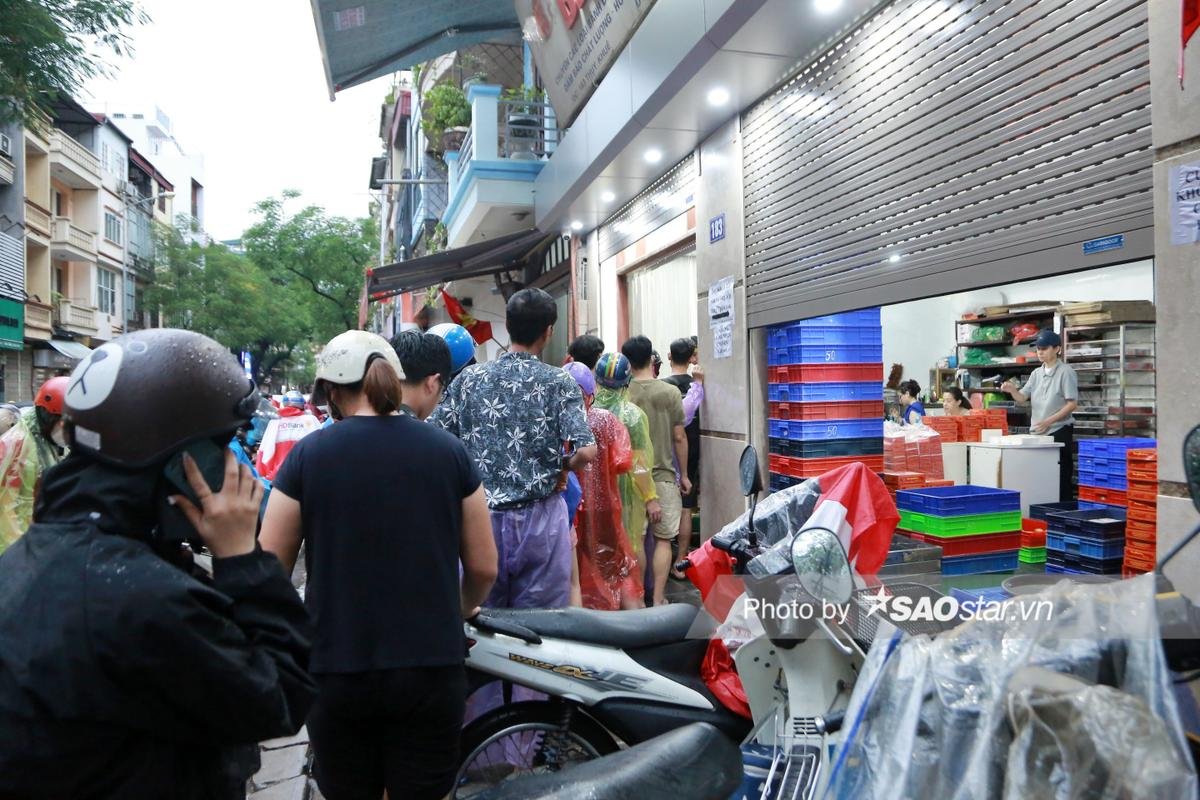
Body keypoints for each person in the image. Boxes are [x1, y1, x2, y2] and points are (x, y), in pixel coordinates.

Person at [0, 329, 315, 798]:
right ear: (178, 460)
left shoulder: (41, 557)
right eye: (222, 447)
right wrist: (243, 559)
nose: (233, 469)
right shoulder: (142, 598)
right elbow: (279, 696)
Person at [260, 330, 497, 800]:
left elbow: (269, 569)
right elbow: (485, 567)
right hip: (432, 667)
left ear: (331, 392)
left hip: (337, 669)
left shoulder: (309, 457)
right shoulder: (448, 451)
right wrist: (458, 609)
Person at [432, 287, 596, 610]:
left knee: (481, 617)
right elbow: (586, 451)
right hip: (541, 522)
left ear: (507, 326)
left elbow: (435, 439)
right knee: (542, 626)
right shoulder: (559, 382)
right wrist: (562, 466)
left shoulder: (468, 381)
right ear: (549, 331)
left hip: (479, 518)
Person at [564, 362, 643, 610]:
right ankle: (636, 625)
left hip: (569, 512)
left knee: (573, 572)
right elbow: (624, 462)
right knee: (617, 567)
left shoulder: (555, 424)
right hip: (606, 507)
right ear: (591, 394)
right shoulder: (606, 420)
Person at [622, 336, 689, 606]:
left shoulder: (623, 393)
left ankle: (637, 598)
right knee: (664, 540)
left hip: (630, 478)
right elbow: (679, 437)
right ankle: (658, 598)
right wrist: (683, 474)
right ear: (652, 359)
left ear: (626, 362)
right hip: (662, 475)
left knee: (636, 540)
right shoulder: (670, 392)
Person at [593, 353, 660, 590]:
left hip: (596, 493)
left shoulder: (587, 410)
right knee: (633, 544)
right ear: (627, 381)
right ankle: (636, 596)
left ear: (597, 378)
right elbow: (639, 463)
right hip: (628, 496)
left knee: (599, 546)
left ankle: (605, 596)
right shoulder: (632, 416)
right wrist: (650, 497)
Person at [1001, 328, 1079, 502]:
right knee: (1040, 476)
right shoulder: (1036, 374)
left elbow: (1072, 403)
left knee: (1060, 475)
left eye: (1044, 348)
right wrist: (1012, 390)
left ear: (1057, 349)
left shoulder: (1066, 372)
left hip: (1059, 430)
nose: (1040, 352)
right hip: (1038, 432)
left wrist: (1049, 421)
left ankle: (1062, 510)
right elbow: (1022, 398)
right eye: (1038, 349)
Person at [0, 377, 68, 553]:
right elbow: (5, 509)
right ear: (47, 415)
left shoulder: (47, 442)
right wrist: (21, 552)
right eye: (61, 421)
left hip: (36, 539)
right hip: (15, 547)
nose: (66, 429)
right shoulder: (17, 445)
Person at [662, 337, 705, 578]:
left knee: (664, 507)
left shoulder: (662, 387)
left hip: (664, 454)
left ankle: (664, 555)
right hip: (691, 452)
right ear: (692, 358)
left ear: (669, 356)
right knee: (687, 508)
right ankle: (681, 561)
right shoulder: (697, 386)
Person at [255, 389, 321, 481]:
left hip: (280, 480)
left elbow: (263, 453)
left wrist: (261, 476)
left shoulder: (275, 423)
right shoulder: (311, 420)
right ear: (302, 404)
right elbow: (323, 449)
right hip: (308, 477)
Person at [391, 329, 452, 419]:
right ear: (432, 384)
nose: (439, 399)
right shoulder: (431, 433)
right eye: (442, 392)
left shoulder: (364, 422)